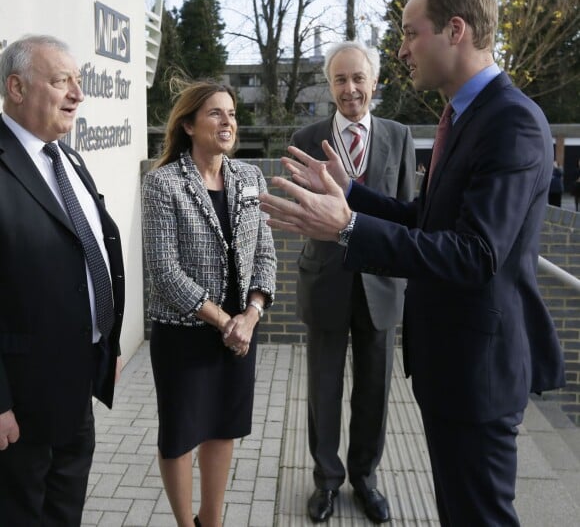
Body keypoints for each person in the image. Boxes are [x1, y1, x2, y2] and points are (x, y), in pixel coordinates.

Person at [259, 0, 565, 526]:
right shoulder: (465, 117)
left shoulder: (511, 122)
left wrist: (349, 226)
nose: (400, 49)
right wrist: (351, 194)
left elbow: (474, 254)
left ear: (455, 30)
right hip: (449, 367)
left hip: (479, 373)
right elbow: (427, 220)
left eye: (409, 33)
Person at [0, 35, 125, 525]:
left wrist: (107, 345)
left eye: (79, 80)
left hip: (75, 390)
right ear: (16, 87)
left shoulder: (68, 158)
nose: (78, 93)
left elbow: (92, 255)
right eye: (61, 81)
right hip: (20, 408)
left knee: (64, 511)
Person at [141, 80, 277, 527]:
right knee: (180, 437)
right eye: (216, 113)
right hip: (185, 334)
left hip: (240, 333)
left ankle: (211, 521)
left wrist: (251, 315)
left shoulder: (250, 177)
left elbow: (265, 254)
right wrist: (225, 322)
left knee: (223, 428)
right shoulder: (162, 184)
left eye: (232, 114)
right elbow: (164, 271)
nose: (228, 122)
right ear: (189, 124)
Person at [291, 41, 415, 524]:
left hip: (381, 285)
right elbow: (302, 211)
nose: (350, 89)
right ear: (330, 85)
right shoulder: (307, 136)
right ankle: (326, 481)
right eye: (340, 80)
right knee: (322, 389)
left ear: (374, 83)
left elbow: (406, 215)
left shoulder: (399, 136)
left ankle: (365, 478)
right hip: (326, 280)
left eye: (358, 78)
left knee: (374, 390)